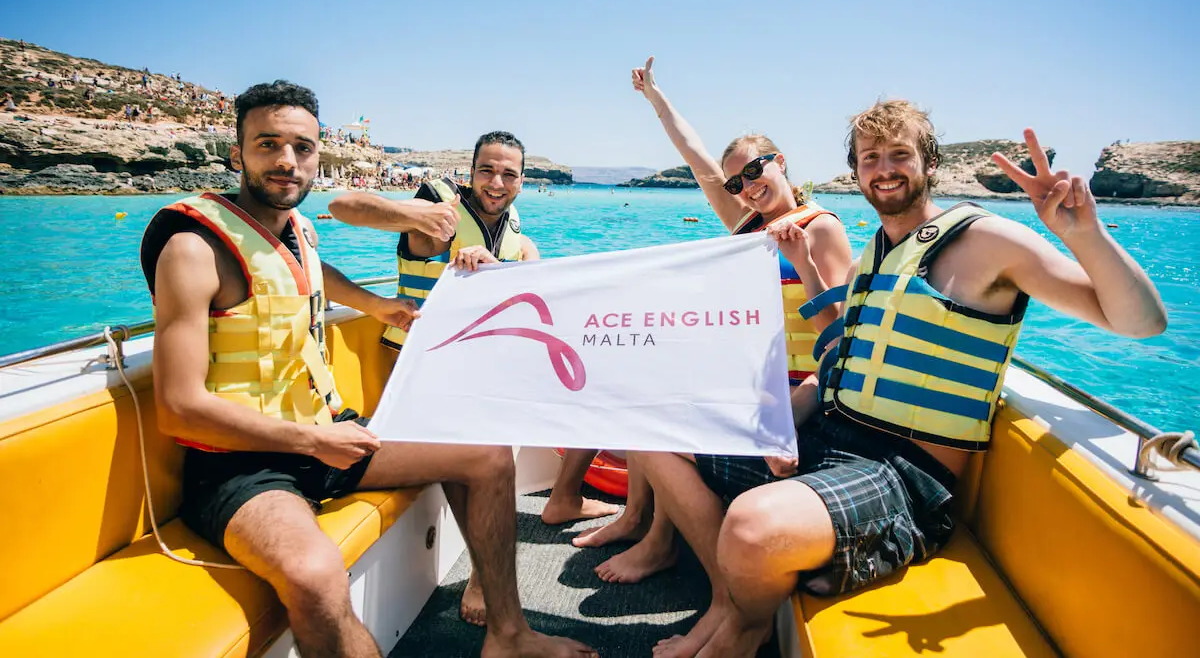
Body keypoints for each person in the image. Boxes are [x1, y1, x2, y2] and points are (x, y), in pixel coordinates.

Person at [642, 99, 1168, 658]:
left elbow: (1141, 322)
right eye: (870, 157)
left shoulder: (988, 241)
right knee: (663, 439)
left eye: (900, 154)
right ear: (857, 171)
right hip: (830, 440)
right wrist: (781, 423)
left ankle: (743, 630)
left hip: (906, 475)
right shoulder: (878, 252)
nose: (884, 168)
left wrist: (1083, 234)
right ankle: (729, 600)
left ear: (929, 163)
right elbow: (844, 360)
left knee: (751, 528)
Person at [142, 81, 594, 658]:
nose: (287, 161)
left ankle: (510, 636)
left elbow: (308, 271)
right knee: (313, 574)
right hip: (241, 465)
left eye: (302, 148)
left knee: (486, 457)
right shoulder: (190, 249)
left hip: (324, 435)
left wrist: (377, 305)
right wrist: (313, 438)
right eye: (268, 144)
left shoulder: (294, 232)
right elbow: (178, 407)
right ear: (237, 154)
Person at [575, 58, 853, 606]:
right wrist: (654, 97)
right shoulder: (748, 225)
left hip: (800, 395)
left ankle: (677, 556)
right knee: (642, 388)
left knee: (659, 427)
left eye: (756, 171)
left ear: (782, 164)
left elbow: (841, 346)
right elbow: (694, 154)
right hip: (756, 384)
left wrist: (783, 418)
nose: (747, 187)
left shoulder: (819, 229)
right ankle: (641, 523)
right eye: (736, 181)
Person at [328, 131, 621, 623]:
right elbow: (342, 205)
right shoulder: (435, 213)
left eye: (508, 173)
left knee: (598, 381)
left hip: (488, 367)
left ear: (522, 182)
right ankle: (485, 575)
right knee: (480, 444)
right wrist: (412, 216)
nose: (496, 182)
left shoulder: (515, 234)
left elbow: (533, 286)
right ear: (470, 173)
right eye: (487, 170)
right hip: (425, 368)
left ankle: (564, 496)